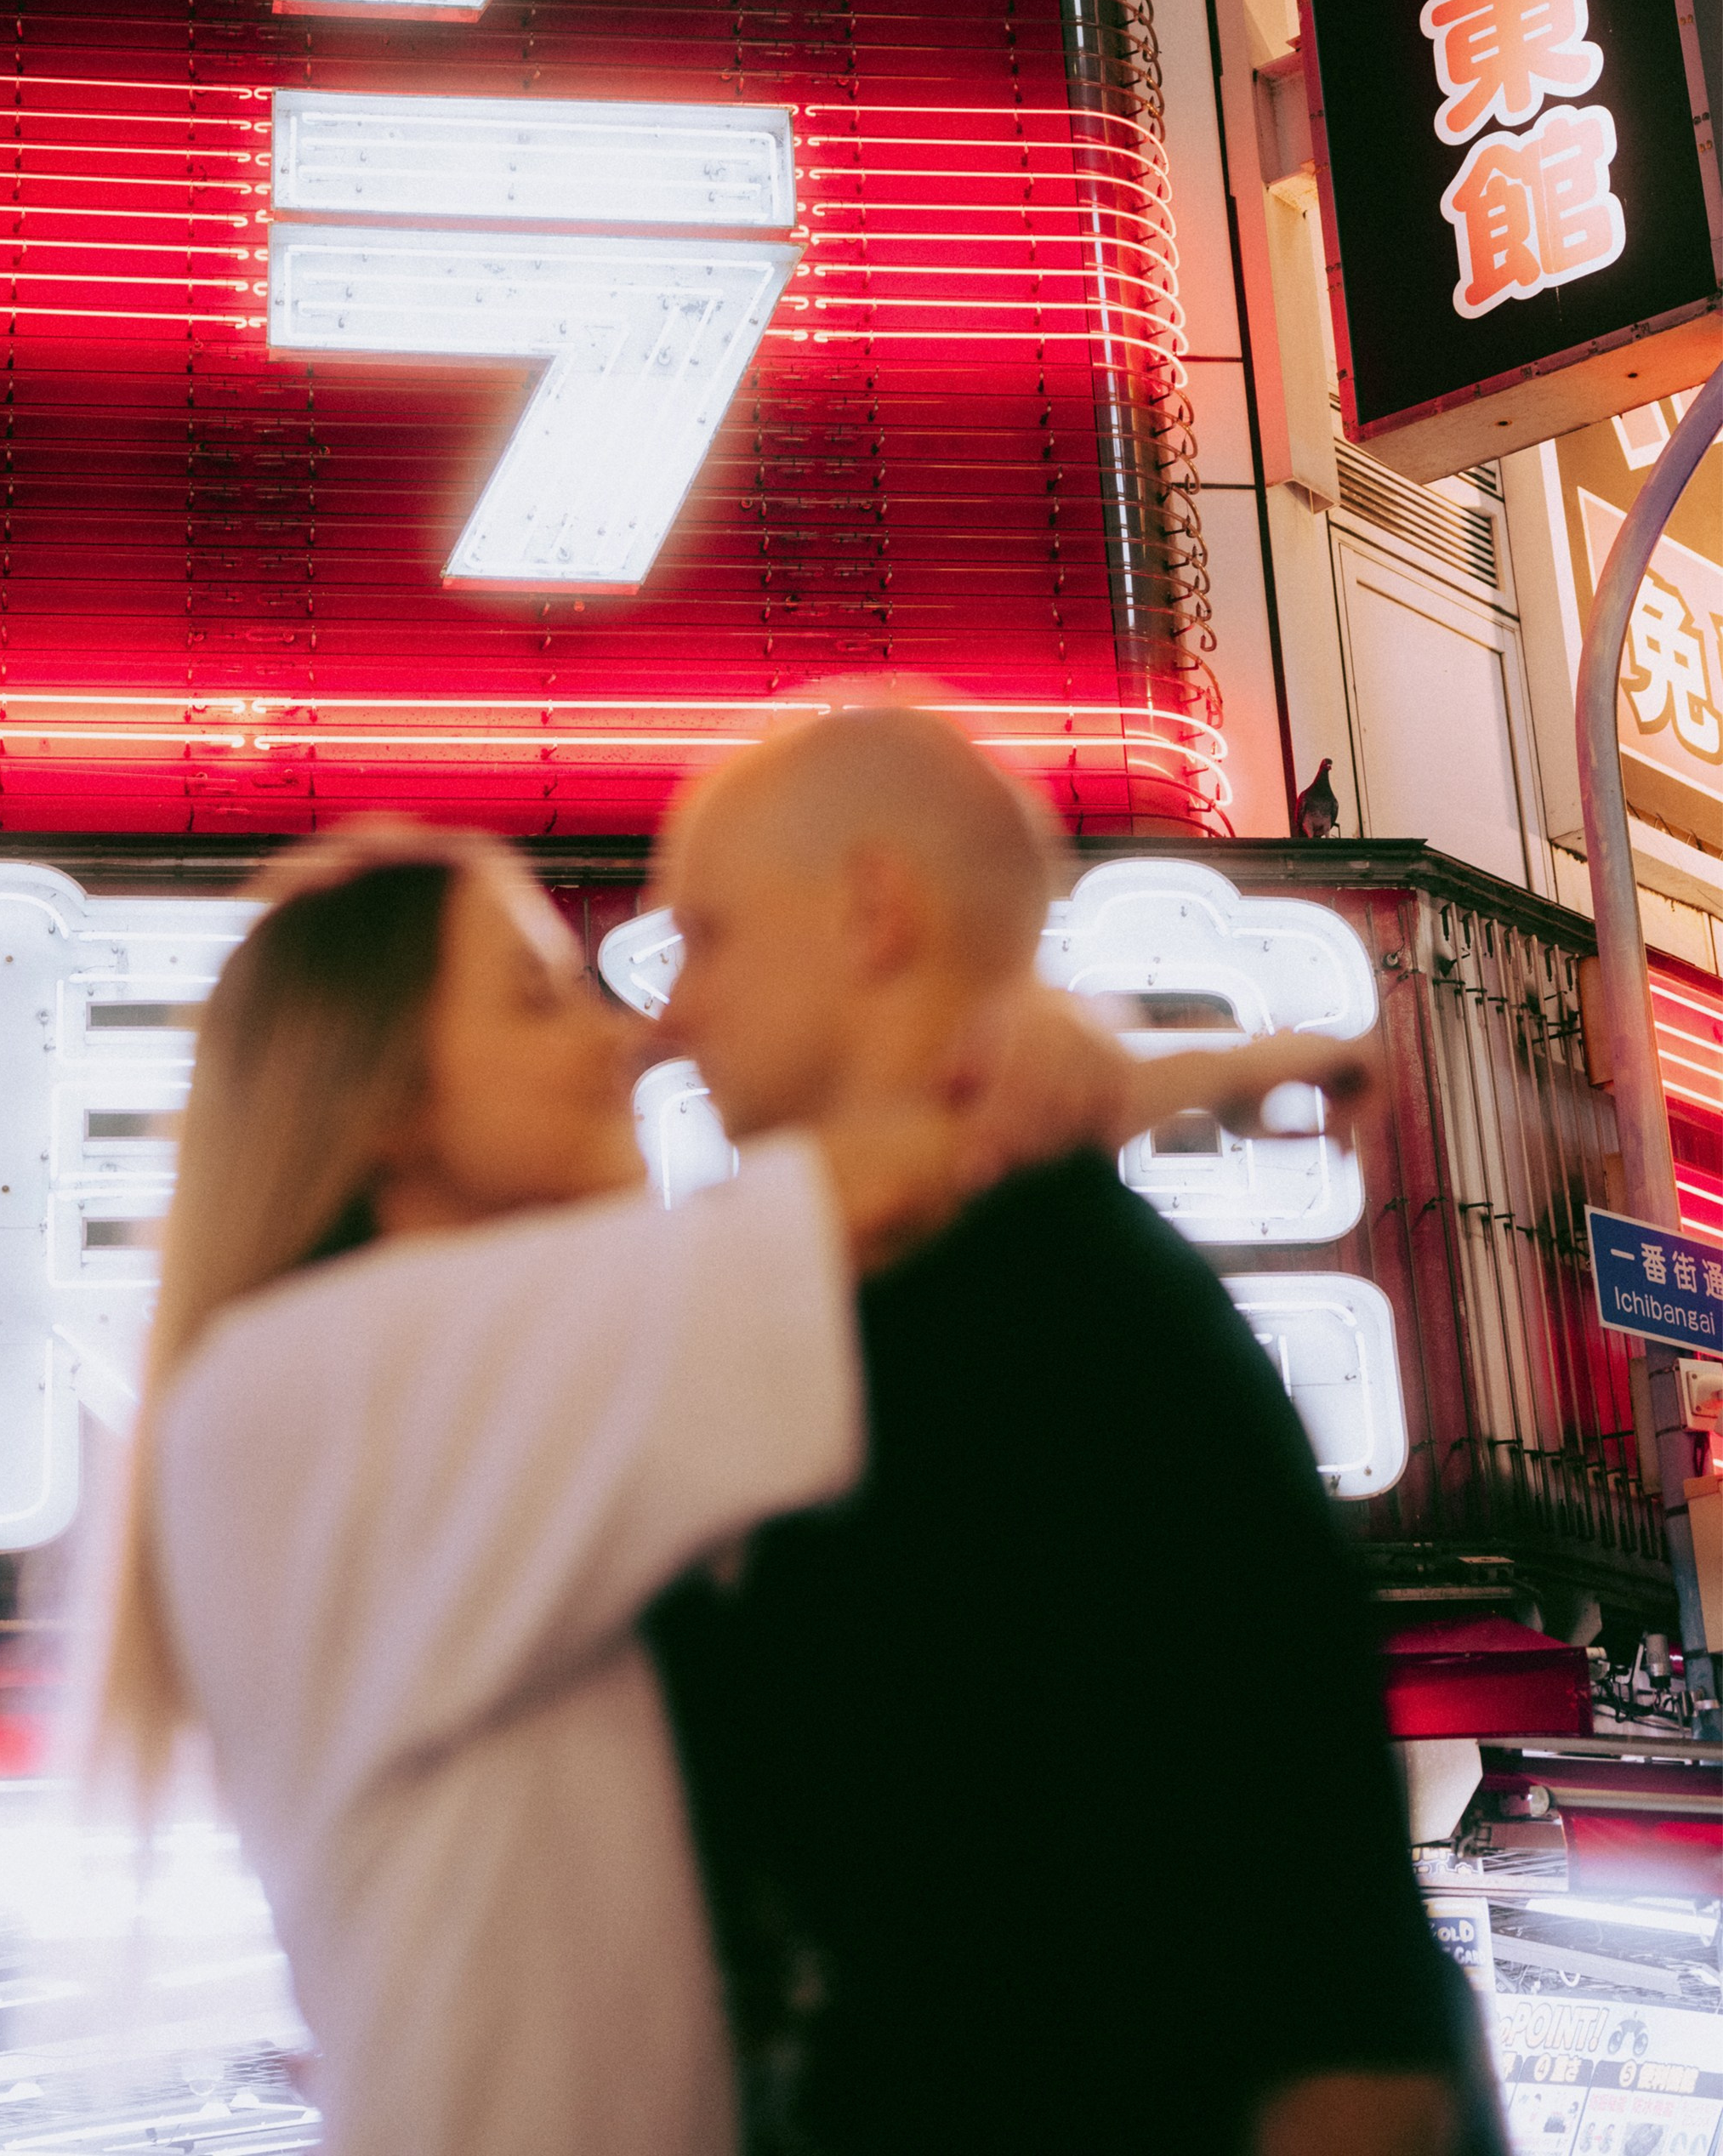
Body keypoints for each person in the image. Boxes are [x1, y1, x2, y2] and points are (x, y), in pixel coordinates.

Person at [90, 810, 1383, 2156]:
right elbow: (884, 1182)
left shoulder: (471, 1404)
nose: (632, 1040)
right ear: (384, 1095)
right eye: (538, 1001)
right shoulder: (327, 1383)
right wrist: (1138, 1065)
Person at [643, 707, 1497, 2156]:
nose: (671, 1015)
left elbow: (1338, 2013)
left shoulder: (1076, 1335)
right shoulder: (862, 1319)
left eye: (706, 938)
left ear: (871, 912)